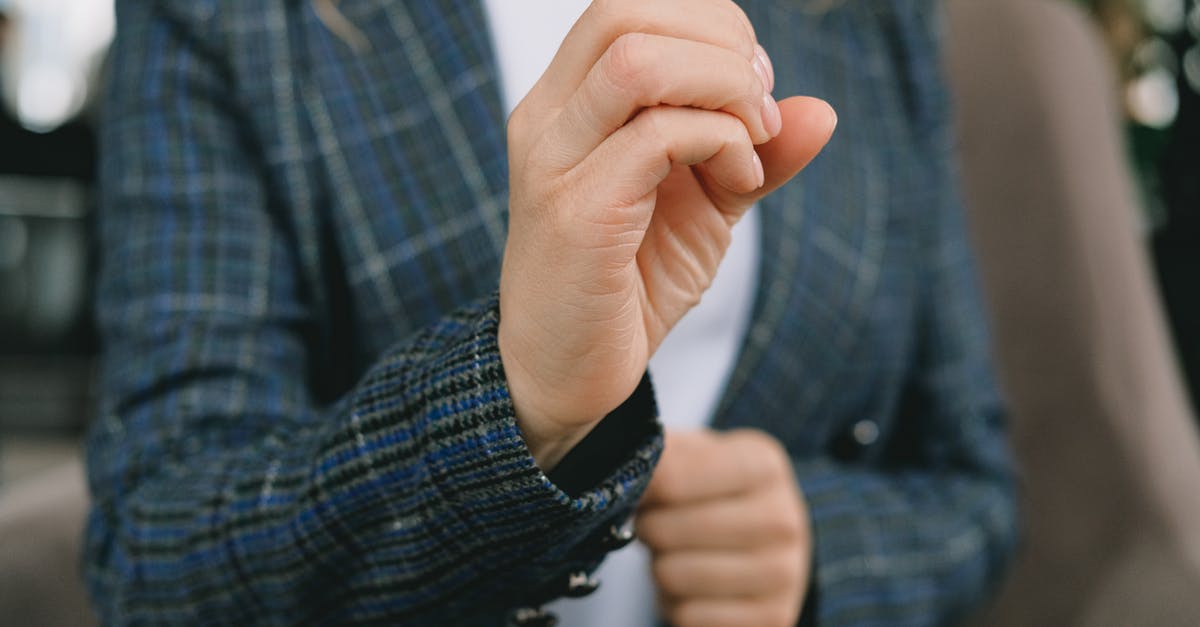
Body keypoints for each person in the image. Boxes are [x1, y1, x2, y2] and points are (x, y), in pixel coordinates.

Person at [85, 0, 1018, 625]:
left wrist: (816, 545)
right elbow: (154, 548)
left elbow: (973, 489)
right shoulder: (231, 21)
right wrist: (515, 401)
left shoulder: (873, 18)